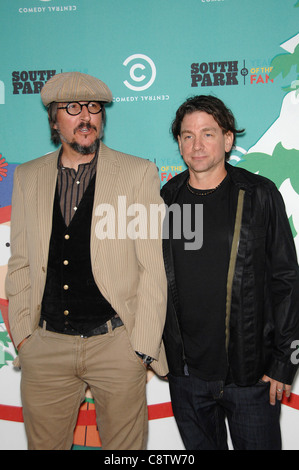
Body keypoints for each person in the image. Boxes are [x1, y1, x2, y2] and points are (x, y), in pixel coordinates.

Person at [5, 71, 167, 450]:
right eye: (73, 108)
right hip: (44, 345)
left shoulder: (136, 172)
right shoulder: (28, 176)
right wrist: (25, 338)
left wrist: (140, 347)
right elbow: (21, 262)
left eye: (94, 108)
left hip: (115, 344)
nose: (86, 117)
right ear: (54, 119)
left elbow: (152, 268)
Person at [161, 95, 299, 450]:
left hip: (251, 377)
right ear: (178, 143)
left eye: (208, 133)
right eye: (187, 135)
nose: (197, 144)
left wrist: (285, 362)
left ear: (227, 139)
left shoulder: (259, 195)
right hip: (188, 378)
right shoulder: (166, 199)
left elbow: (287, 280)